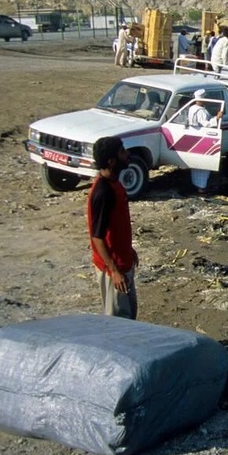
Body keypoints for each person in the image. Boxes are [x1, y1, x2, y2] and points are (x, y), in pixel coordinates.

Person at [87, 136, 138, 319]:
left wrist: (127, 249)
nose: (127, 154)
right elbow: (97, 237)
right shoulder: (103, 192)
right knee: (117, 322)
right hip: (113, 269)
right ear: (111, 161)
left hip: (122, 262)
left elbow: (115, 227)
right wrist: (114, 271)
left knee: (129, 316)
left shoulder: (114, 184)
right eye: (122, 152)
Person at [187, 89, 223, 193]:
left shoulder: (192, 108)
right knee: (204, 165)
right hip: (202, 137)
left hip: (194, 136)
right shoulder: (201, 111)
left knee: (196, 165)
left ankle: (196, 184)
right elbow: (206, 124)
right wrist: (217, 118)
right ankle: (201, 187)